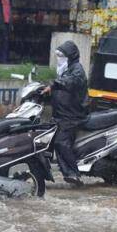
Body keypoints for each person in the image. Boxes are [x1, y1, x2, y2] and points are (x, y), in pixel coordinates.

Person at [42, 41, 88, 186]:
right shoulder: (64, 69)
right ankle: (66, 171)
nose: (59, 58)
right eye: (58, 55)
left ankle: (73, 173)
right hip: (62, 114)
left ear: (71, 56)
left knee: (61, 142)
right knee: (52, 139)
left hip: (73, 114)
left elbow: (70, 82)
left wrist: (54, 84)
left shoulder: (77, 69)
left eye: (62, 56)